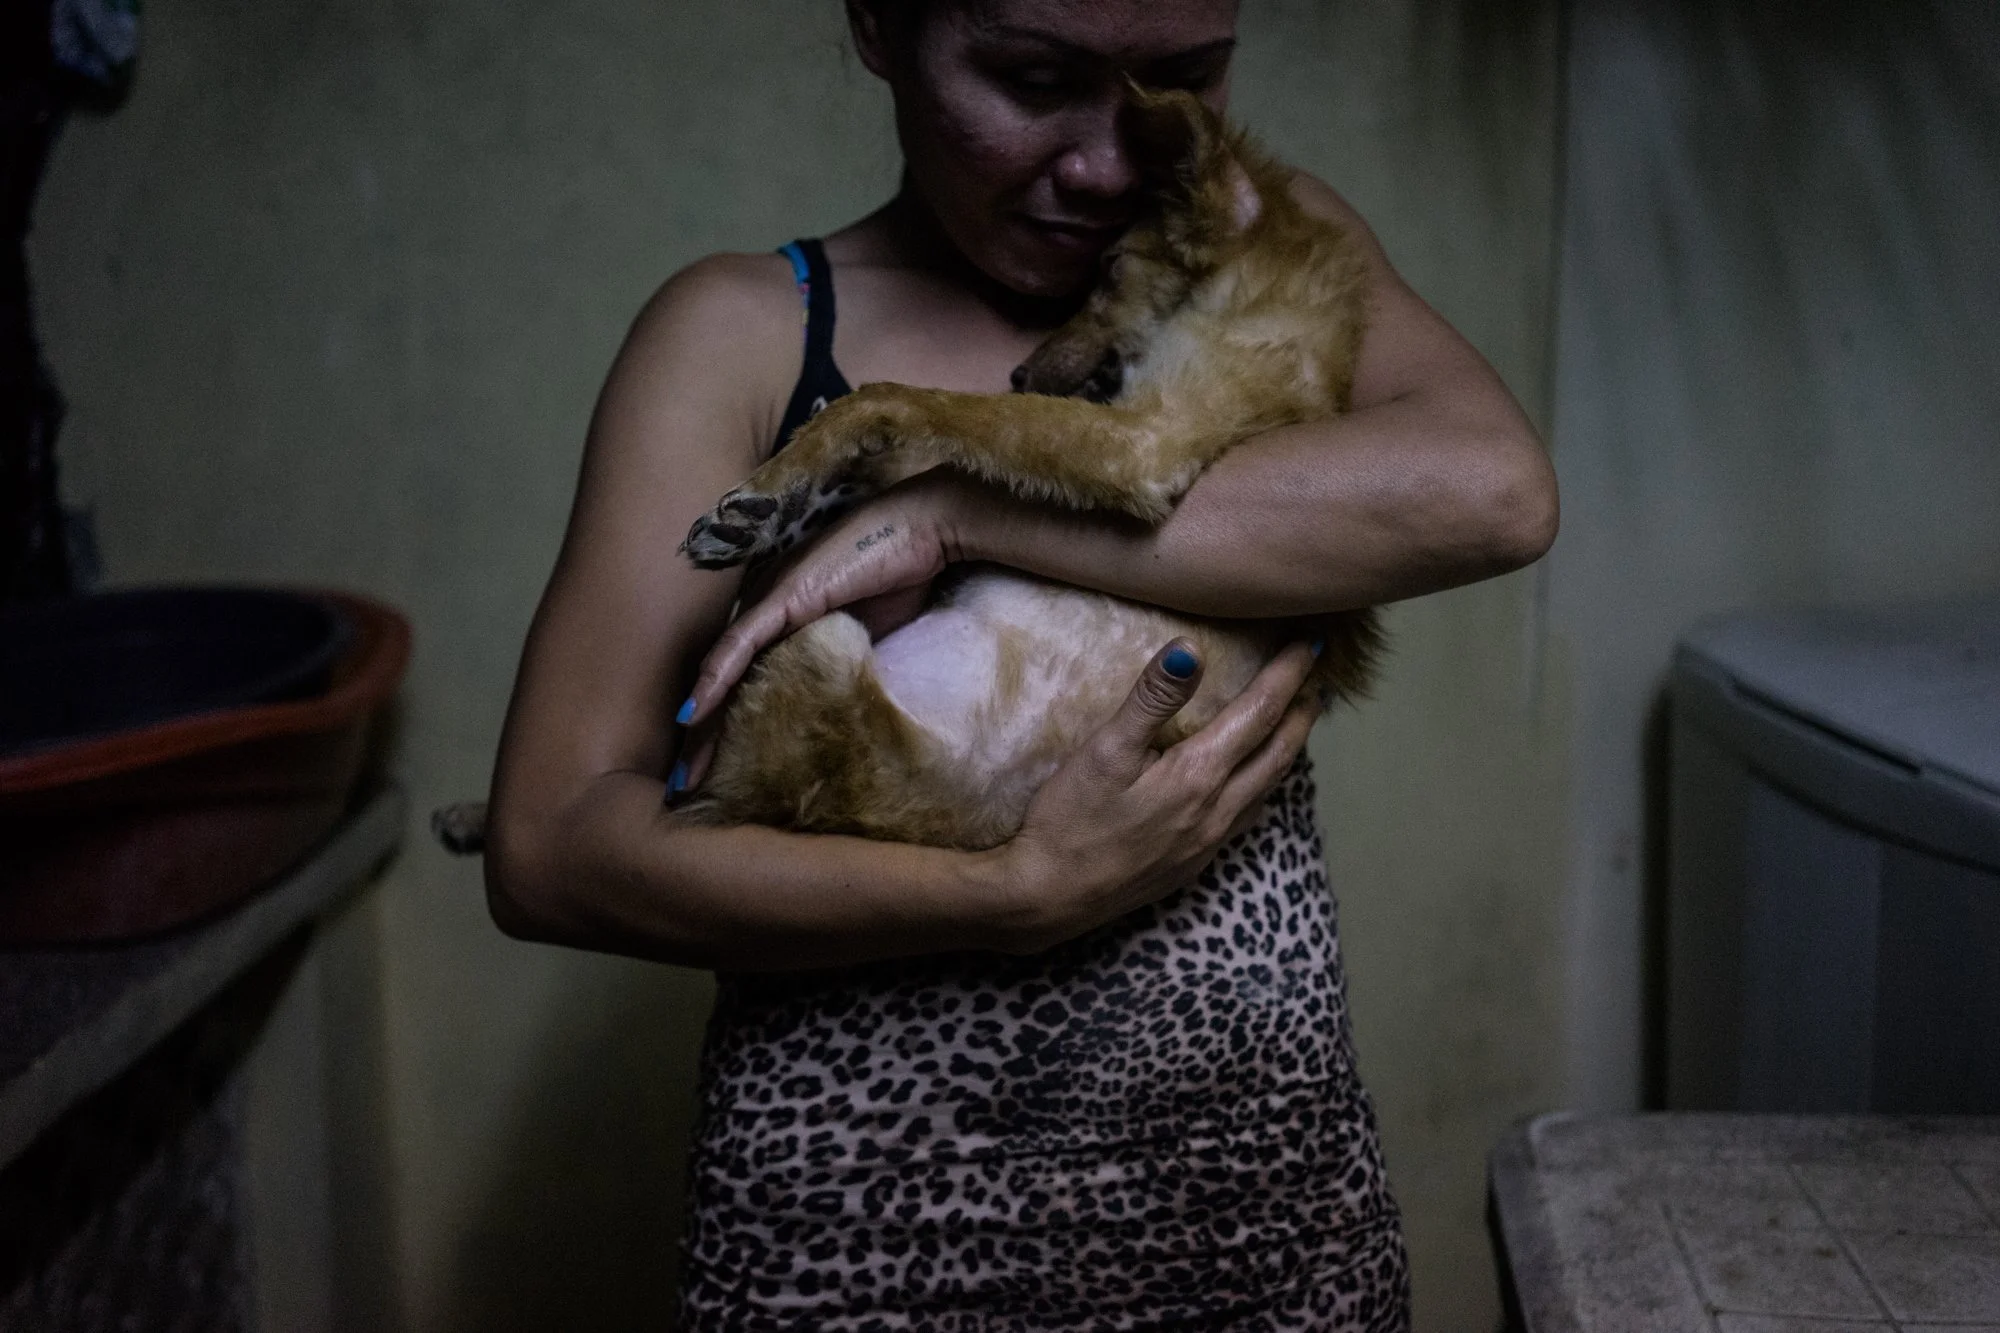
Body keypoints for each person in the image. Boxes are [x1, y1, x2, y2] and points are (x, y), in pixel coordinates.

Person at [484, 0, 1557, 1327]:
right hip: (866, 1241)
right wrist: (1012, 893)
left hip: (1261, 1217)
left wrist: (954, 506)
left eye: (1183, 75)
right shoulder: (749, 334)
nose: (1108, 164)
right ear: (881, 24)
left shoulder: (1248, 233)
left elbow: (1496, 494)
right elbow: (549, 849)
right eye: (1034, 79)